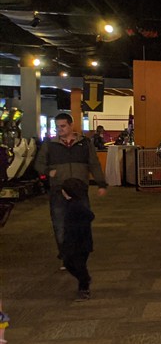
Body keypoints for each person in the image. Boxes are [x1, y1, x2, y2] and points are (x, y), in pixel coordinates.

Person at [34, 112, 107, 263]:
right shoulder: (50, 145)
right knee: (60, 223)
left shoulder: (84, 143)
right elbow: (38, 164)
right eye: (57, 127)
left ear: (71, 125)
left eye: (63, 126)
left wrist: (101, 183)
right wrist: (48, 171)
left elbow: (94, 164)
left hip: (79, 190)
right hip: (58, 190)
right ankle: (66, 255)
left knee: (83, 222)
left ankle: (81, 252)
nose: (59, 129)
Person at [60, 177, 95, 301]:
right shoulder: (71, 204)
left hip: (79, 242)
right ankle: (84, 280)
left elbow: (90, 216)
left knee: (78, 265)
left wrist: (79, 227)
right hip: (75, 241)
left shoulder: (75, 205)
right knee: (69, 263)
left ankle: (84, 286)